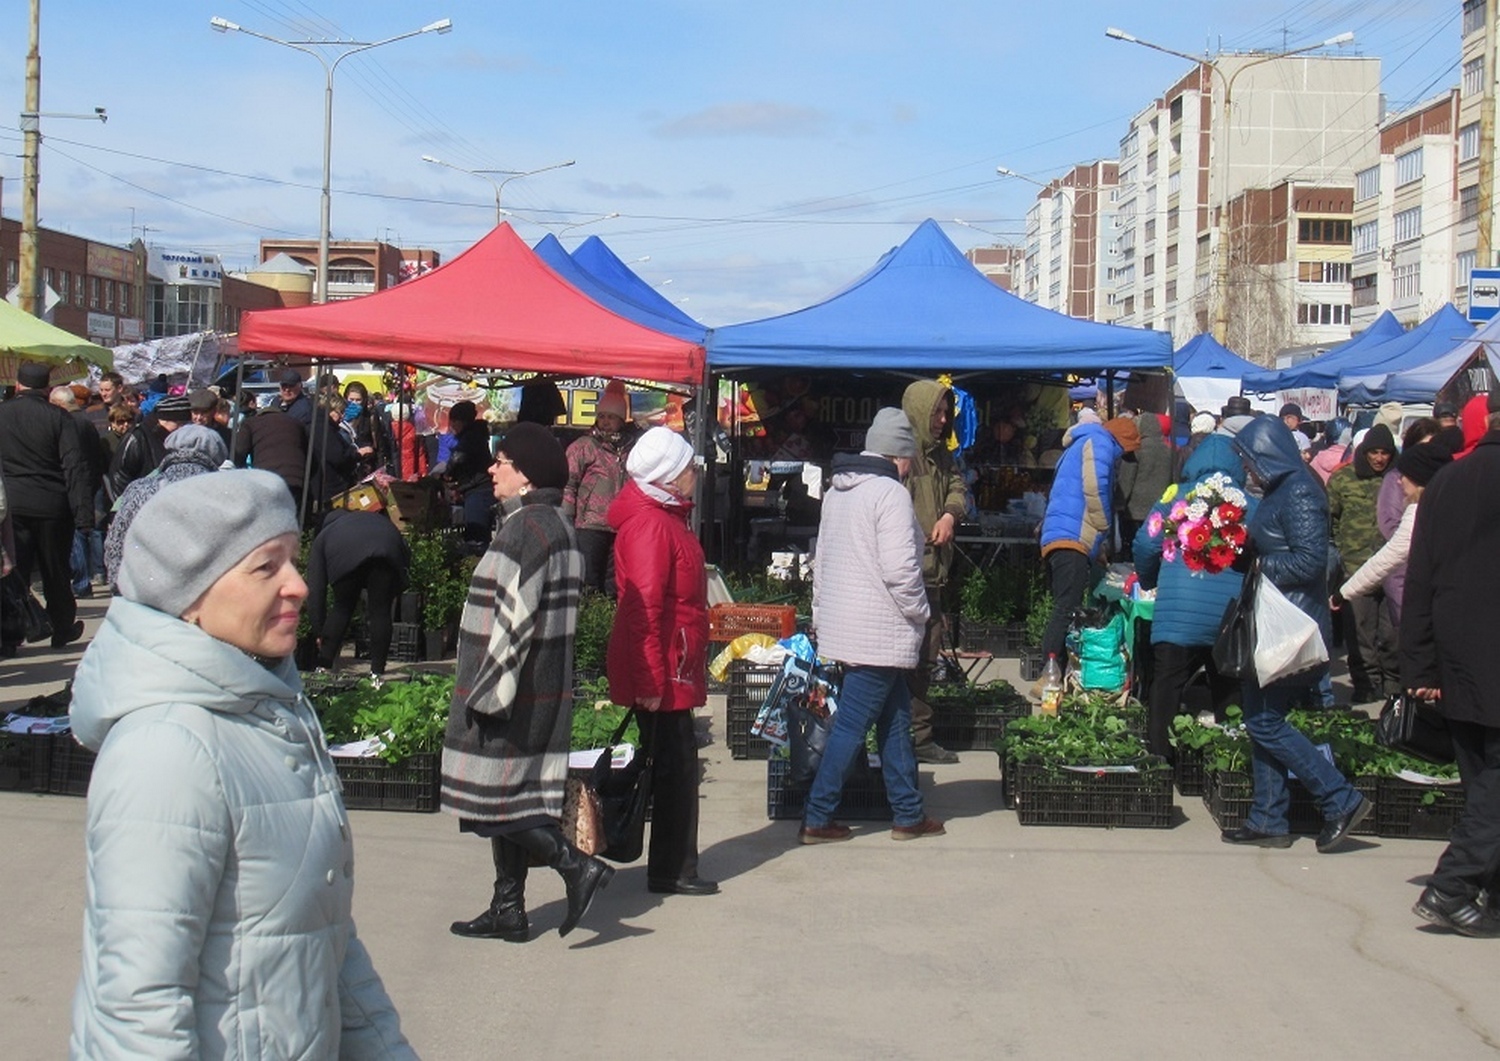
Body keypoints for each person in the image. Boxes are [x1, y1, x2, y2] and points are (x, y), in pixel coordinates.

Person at [68, 469, 416, 1058]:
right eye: (266, 567)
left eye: (293, 560)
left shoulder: (273, 712)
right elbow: (135, 1006)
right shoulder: (168, 751)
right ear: (189, 598)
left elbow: (321, 937)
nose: (300, 585)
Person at [441, 422, 614, 941]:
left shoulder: (526, 528)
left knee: (496, 801)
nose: (492, 468)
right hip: (541, 685)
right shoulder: (555, 524)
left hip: (512, 687)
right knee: (512, 797)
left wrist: (489, 692)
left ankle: (574, 867)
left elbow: (513, 619)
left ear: (526, 475)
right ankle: (508, 908)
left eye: (503, 462)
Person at [1222, 416, 1371, 851]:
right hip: (1271, 617)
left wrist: (1259, 566)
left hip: (1291, 625)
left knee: (1265, 721)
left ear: (1268, 453)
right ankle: (1269, 819)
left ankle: (1340, 799)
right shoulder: (1278, 491)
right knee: (1259, 718)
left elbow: (1312, 563)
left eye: (1251, 460)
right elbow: (1271, 547)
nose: (1248, 470)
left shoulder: (1302, 492)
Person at [799, 409, 943, 844]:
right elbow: (901, 571)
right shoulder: (890, 494)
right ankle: (818, 816)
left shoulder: (839, 491)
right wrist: (921, 612)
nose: (909, 467)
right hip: (880, 631)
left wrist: (822, 616)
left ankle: (908, 813)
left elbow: (820, 561)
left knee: (896, 719)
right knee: (851, 727)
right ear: (899, 454)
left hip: (847, 627)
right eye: (909, 459)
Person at [1402, 391, 1500, 937]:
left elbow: (1419, 580)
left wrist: (1420, 667)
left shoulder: (1447, 482)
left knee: (1483, 781)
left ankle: (1484, 894)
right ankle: (1454, 886)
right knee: (1493, 788)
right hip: (1481, 656)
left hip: (1457, 658)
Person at [607, 426, 718, 896]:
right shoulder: (652, 524)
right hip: (664, 667)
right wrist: (651, 678)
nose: (696, 473)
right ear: (671, 478)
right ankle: (673, 870)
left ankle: (673, 867)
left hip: (672, 661)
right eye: (689, 467)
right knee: (674, 770)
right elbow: (644, 608)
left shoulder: (662, 518)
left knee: (675, 767)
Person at [1132, 434, 1254, 759]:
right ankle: (1230, 760)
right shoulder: (1245, 503)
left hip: (1177, 619)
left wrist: (1148, 579)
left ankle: (1161, 759)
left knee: (1167, 686)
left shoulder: (1176, 499)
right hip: (1228, 618)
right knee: (1228, 690)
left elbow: (1145, 543)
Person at [1035, 415, 1137, 694]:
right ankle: (1049, 678)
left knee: (1063, 607)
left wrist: (1097, 546)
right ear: (1121, 443)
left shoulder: (1079, 444)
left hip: (1060, 535)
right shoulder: (1101, 443)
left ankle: (1056, 673)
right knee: (1064, 609)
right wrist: (1103, 528)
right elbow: (1095, 489)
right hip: (1072, 539)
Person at [898, 379, 967, 764]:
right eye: (937, 412)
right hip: (906, 575)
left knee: (926, 659)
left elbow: (958, 487)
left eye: (946, 412)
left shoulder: (942, 455)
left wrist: (948, 513)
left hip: (933, 574)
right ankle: (898, 738)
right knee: (900, 662)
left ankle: (919, 739)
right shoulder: (901, 456)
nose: (942, 419)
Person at [0, 362, 90, 648]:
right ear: (48, 390)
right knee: (56, 571)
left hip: (11, 504)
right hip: (53, 506)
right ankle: (62, 627)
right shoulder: (60, 418)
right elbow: (74, 467)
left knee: (12, 572)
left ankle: (9, 635)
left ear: (18, 387)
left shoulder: (2, 414)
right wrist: (83, 513)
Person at [103, 425, 229, 590]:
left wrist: (118, 584)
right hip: (206, 593)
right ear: (217, 455)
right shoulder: (224, 491)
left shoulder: (140, 488)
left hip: (148, 589)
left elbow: (117, 541)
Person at [1340, 441, 1451, 628]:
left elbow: (1387, 558)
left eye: (1404, 476)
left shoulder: (1419, 513)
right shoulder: (1454, 506)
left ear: (1419, 479)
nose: (1399, 481)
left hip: (1433, 607)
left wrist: (1343, 593)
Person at [1328, 423, 1399, 702]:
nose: (1379, 458)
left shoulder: (1398, 480)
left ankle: (1393, 684)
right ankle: (1366, 685)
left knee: (1393, 633)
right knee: (1360, 632)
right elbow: (1331, 519)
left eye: (1385, 453)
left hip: (1392, 569)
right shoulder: (1344, 479)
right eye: (1374, 452)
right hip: (1356, 567)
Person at [307, 509, 410, 680]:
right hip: (386, 551)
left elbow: (316, 590)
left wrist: (319, 630)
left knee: (342, 608)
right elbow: (405, 554)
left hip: (344, 556)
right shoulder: (375, 520)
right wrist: (396, 588)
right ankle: (377, 673)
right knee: (380, 611)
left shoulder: (325, 536)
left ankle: (324, 668)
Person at [562, 380, 633, 593]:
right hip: (589, 525)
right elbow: (568, 483)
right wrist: (567, 518)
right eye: (601, 416)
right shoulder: (583, 447)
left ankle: (608, 621)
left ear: (622, 419)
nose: (605, 422)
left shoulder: (631, 448)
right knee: (588, 581)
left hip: (619, 526)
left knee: (613, 584)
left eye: (611, 417)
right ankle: (588, 621)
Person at [108, 393, 190, 501]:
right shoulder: (137, 438)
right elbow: (119, 476)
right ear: (164, 420)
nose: (183, 428)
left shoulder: (174, 438)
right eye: (179, 424)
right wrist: (129, 506)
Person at [1117, 411, 1172, 560]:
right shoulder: (1170, 451)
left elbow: (1126, 479)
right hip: (1160, 509)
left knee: (1134, 549)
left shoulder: (1136, 450)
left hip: (1135, 510)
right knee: (1154, 548)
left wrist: (1119, 504)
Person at [442, 400, 496, 542]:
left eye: (454, 421)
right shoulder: (474, 434)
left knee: (476, 536)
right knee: (478, 534)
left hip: (479, 490)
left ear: (463, 421)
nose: (451, 425)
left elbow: (458, 458)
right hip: (477, 489)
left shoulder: (472, 436)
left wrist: (447, 473)